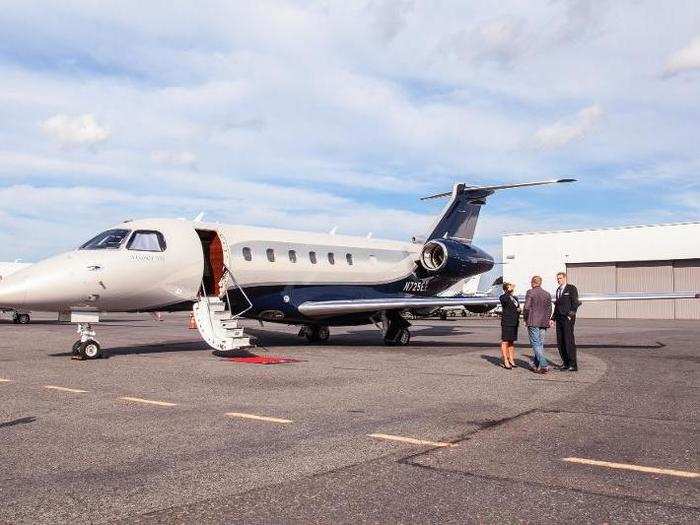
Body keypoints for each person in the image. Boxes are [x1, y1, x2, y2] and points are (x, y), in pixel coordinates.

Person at [550, 272, 580, 371]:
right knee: (560, 341)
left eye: (560, 278)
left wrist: (571, 315)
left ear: (565, 278)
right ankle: (565, 362)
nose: (559, 280)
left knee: (568, 341)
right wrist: (553, 318)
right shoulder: (558, 290)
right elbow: (557, 306)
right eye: (557, 278)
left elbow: (575, 302)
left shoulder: (571, 288)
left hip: (567, 318)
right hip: (559, 318)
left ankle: (573, 364)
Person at [523, 275, 553, 374]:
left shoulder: (530, 292)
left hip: (533, 321)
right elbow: (549, 309)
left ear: (533, 283)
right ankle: (536, 365)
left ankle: (544, 365)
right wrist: (548, 319)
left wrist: (525, 318)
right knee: (540, 344)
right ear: (540, 283)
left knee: (535, 343)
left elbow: (526, 308)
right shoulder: (547, 294)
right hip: (543, 322)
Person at [499, 282, 520, 369]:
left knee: (511, 341)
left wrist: (518, 310)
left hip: (514, 322)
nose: (512, 288)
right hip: (507, 322)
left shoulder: (515, 298)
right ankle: (505, 360)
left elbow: (515, 307)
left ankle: (511, 359)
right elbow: (504, 299)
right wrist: (508, 290)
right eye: (509, 287)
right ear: (505, 289)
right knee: (505, 341)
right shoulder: (504, 297)